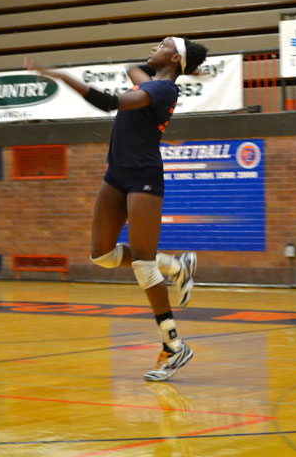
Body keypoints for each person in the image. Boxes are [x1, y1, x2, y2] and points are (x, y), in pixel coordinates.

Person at [25, 36, 207, 381]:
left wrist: (59, 76)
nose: (155, 45)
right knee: (101, 254)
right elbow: (132, 68)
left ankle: (174, 346)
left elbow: (111, 103)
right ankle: (175, 264)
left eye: (163, 44)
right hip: (116, 174)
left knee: (142, 264)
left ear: (175, 59)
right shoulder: (152, 80)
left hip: (144, 177)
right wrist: (168, 61)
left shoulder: (165, 90)